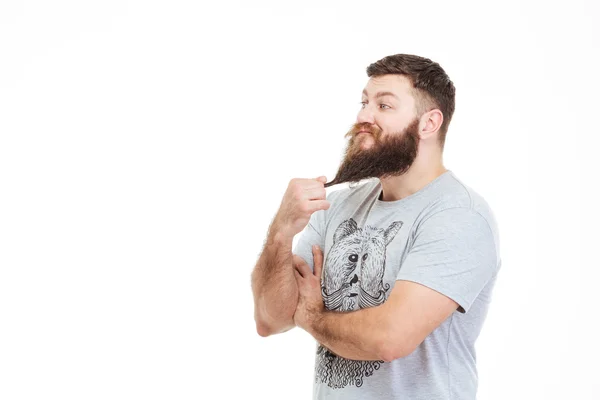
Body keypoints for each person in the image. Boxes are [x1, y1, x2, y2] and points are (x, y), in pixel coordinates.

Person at [250, 53, 501, 400]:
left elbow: (389, 339)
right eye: (365, 102)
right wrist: (281, 232)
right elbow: (270, 320)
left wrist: (311, 315)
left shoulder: (458, 216)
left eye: (384, 106)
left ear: (429, 123)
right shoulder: (338, 204)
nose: (364, 116)